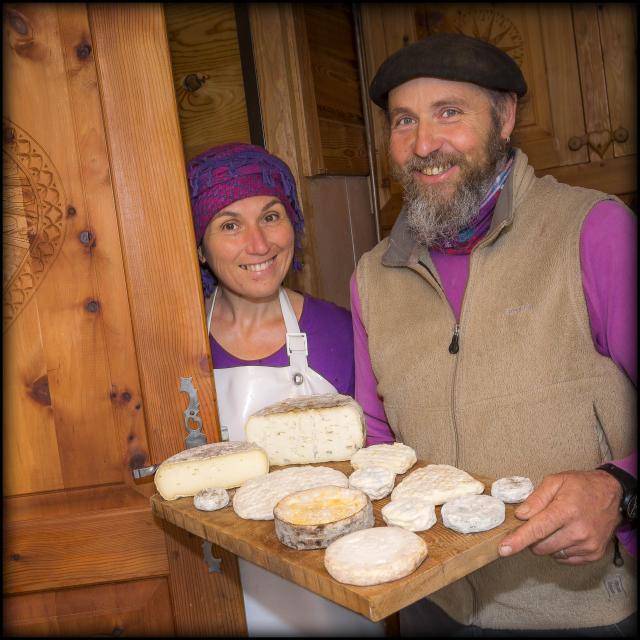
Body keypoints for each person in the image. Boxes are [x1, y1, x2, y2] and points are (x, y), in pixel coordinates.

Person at [352, 33, 636, 636]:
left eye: (449, 113)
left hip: (584, 610)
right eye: (405, 121)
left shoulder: (596, 231)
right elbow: (377, 438)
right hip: (431, 600)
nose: (424, 144)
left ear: (504, 117)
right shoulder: (371, 277)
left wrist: (621, 490)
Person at [187, 142, 384, 637]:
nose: (259, 244)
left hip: (330, 587)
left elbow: (380, 461)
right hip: (220, 586)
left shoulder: (340, 330)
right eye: (230, 225)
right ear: (201, 245)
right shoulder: (178, 350)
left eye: (270, 217)